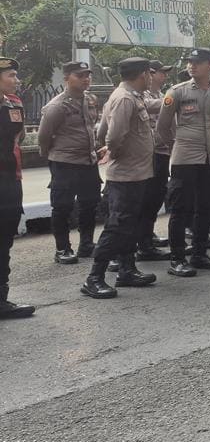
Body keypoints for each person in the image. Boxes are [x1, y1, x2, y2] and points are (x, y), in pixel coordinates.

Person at [81, 57, 158, 299]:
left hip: (137, 172)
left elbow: (102, 129)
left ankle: (127, 269)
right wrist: (114, 151)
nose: (151, 77)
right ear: (142, 74)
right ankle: (94, 278)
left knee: (129, 225)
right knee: (117, 227)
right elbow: (112, 137)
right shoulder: (125, 98)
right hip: (126, 174)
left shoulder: (129, 95)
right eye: (149, 73)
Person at [155, 48, 210, 277]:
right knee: (181, 209)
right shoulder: (177, 92)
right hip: (185, 158)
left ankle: (200, 253)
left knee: (205, 207)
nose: (192, 66)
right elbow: (162, 126)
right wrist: (176, 147)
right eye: (190, 62)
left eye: (197, 62)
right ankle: (178, 258)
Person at [37, 61, 101, 264]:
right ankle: (62, 249)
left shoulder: (90, 100)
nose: (86, 79)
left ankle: (86, 244)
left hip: (88, 161)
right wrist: (54, 156)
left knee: (90, 204)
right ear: (67, 78)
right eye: (80, 75)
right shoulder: (57, 106)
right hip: (65, 163)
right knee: (62, 206)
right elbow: (43, 137)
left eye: (87, 75)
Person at [0, 58, 35, 318]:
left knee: (4, 240)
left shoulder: (14, 103)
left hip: (10, 179)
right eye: (11, 75)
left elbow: (18, 138)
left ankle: (2, 298)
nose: (16, 80)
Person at [135, 60, 173, 262]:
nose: (164, 76)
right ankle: (143, 243)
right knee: (147, 199)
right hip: (150, 153)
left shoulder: (161, 94)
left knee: (156, 197)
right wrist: (172, 101)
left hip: (162, 152)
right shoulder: (142, 95)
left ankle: (147, 236)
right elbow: (148, 106)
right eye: (161, 72)